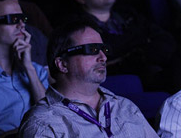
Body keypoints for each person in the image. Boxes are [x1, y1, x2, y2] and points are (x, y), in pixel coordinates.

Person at [18, 19, 158, 137]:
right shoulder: (43, 123)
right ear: (62, 64)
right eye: (92, 50)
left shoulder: (124, 106)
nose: (103, 57)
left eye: (104, 50)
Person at [70, 0, 176, 90]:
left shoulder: (128, 14)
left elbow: (166, 40)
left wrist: (133, 54)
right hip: (117, 87)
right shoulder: (77, 29)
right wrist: (140, 49)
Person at [0, 0, 48, 137]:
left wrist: (29, 68)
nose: (21, 25)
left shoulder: (35, 69)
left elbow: (50, 116)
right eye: (12, 19)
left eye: (22, 18)